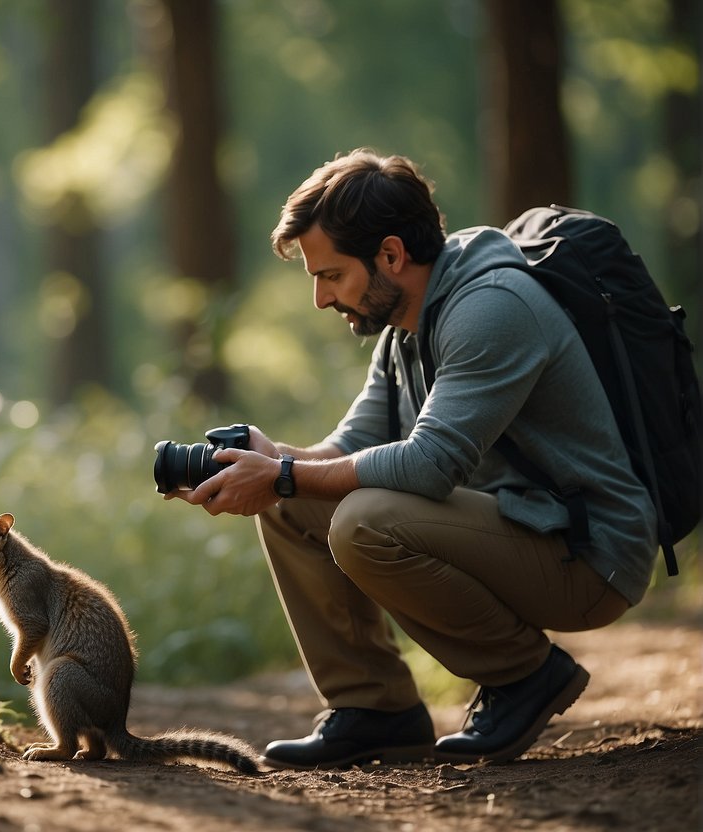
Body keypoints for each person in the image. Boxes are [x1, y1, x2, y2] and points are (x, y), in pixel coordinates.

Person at [164, 148, 657, 769]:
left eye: (331, 275)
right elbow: (343, 453)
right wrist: (263, 462)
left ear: (391, 255)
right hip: (525, 527)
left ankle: (524, 676)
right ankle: (377, 711)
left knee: (362, 517)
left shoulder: (491, 308)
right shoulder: (404, 326)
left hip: (591, 558)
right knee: (292, 506)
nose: (321, 299)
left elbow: (429, 466)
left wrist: (284, 475)